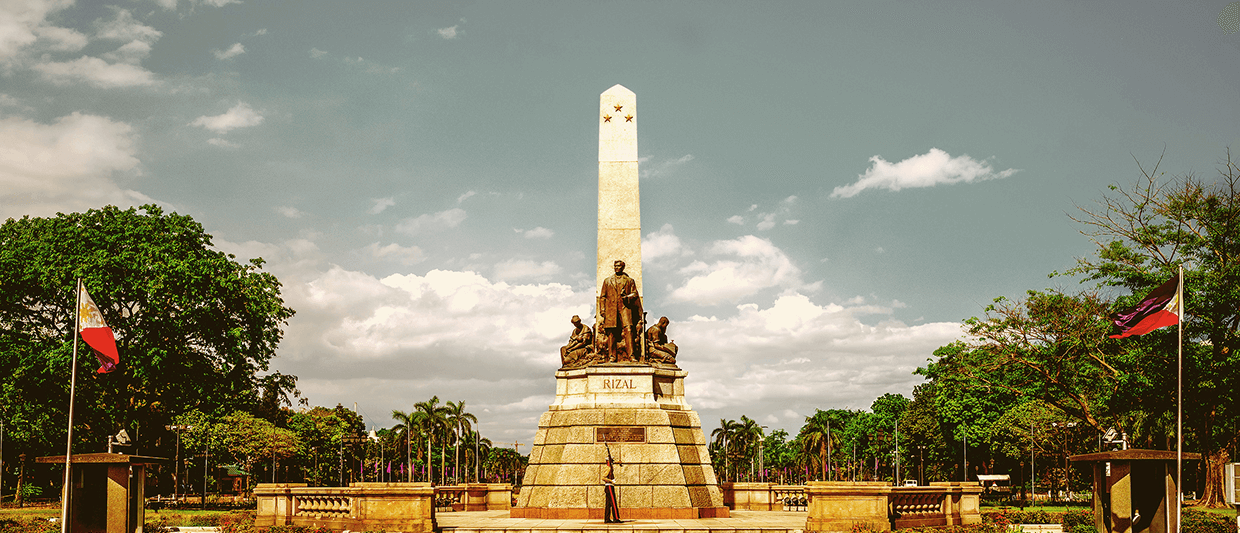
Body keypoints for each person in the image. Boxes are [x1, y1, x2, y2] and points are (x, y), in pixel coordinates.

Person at [598, 259, 643, 362]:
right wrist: (602, 310)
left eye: (618, 266)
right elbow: (603, 297)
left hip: (625, 308)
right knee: (611, 332)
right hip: (611, 309)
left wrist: (627, 297)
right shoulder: (607, 280)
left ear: (623, 267)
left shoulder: (629, 280)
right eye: (615, 266)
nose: (616, 268)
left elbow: (635, 293)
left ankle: (631, 355)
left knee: (629, 330)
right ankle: (612, 356)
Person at [603, 453, 621, 523]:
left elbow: (613, 462)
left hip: (609, 486)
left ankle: (607, 518)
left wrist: (618, 462)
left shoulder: (609, 467)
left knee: (608, 504)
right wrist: (611, 481)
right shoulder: (608, 468)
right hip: (609, 486)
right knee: (613, 502)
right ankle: (616, 518)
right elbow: (603, 477)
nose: (612, 462)